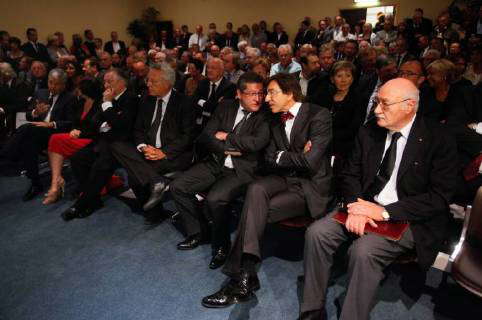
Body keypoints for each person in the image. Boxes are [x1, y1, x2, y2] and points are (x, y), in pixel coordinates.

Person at [299, 78, 458, 320]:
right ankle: (312, 309)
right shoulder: (369, 130)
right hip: (361, 205)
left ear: (409, 105)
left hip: (407, 216)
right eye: (376, 102)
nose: (376, 110)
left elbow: (438, 197)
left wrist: (384, 212)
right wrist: (355, 209)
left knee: (363, 252)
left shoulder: (439, 137)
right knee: (317, 233)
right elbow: (350, 173)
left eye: (384, 104)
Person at [201, 73, 333, 308]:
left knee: (255, 209)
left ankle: (240, 278)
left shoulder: (319, 115)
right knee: (256, 189)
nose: (265, 98)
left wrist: (287, 156)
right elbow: (270, 159)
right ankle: (245, 276)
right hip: (282, 178)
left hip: (308, 186)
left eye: (271, 92)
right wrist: (294, 156)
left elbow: (311, 162)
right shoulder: (274, 119)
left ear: (290, 93)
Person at [170, 72, 270, 268]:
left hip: (241, 171)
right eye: (251, 94)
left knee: (215, 200)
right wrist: (230, 149)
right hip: (216, 162)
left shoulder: (266, 114)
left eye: (260, 93)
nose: (257, 98)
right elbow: (207, 135)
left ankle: (221, 246)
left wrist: (226, 137)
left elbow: (257, 143)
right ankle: (198, 231)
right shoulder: (225, 106)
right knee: (178, 187)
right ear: (239, 94)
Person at [107, 62, 195, 224]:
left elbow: (187, 136)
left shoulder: (185, 102)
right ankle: (156, 181)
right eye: (148, 80)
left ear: (167, 83)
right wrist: (143, 146)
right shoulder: (146, 99)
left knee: (134, 176)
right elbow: (138, 129)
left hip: (173, 154)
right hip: (148, 149)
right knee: (116, 146)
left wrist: (163, 152)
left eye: (153, 81)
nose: (148, 84)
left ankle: (155, 210)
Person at [61, 69, 138, 221]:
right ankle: (94, 200)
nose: (106, 85)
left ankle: (81, 204)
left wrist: (108, 106)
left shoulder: (131, 99)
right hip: (102, 142)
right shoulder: (106, 99)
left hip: (121, 146)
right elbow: (95, 123)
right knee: (77, 158)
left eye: (110, 82)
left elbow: (121, 126)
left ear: (123, 82)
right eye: (105, 82)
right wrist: (86, 130)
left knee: (100, 165)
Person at [1, 68, 75, 201]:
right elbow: (29, 114)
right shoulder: (40, 93)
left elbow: (71, 122)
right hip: (37, 133)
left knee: (26, 129)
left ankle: (4, 155)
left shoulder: (70, 98)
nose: (53, 86)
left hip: (55, 134)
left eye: (57, 83)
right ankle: (36, 183)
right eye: (50, 82)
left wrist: (52, 124)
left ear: (64, 85)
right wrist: (35, 112)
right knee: (28, 143)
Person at [43, 78, 102, 204]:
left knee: (56, 140)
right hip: (78, 136)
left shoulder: (100, 103)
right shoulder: (80, 102)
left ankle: (56, 185)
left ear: (84, 89)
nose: (76, 90)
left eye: (78, 88)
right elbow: (74, 122)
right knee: (55, 139)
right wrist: (74, 130)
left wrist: (80, 133)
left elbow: (98, 128)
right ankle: (56, 182)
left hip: (92, 139)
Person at [193, 58, 236, 131]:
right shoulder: (203, 83)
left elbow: (220, 108)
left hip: (218, 126)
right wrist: (212, 104)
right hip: (199, 123)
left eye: (213, 68)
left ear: (221, 71)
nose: (209, 70)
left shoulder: (230, 87)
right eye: (208, 68)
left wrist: (202, 102)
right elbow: (194, 101)